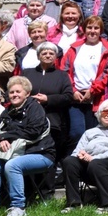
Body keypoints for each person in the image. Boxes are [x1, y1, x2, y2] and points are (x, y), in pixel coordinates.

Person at [0, 76, 55, 216]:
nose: (14, 95)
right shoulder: (8, 112)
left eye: (18, 91)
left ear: (27, 93)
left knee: (13, 165)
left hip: (41, 154)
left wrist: (6, 135)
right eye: (11, 92)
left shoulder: (35, 108)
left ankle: (18, 207)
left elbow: (34, 131)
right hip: (16, 153)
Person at [61, 99, 108, 214]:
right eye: (105, 112)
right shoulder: (90, 132)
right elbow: (77, 151)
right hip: (90, 167)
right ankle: (74, 204)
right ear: (99, 114)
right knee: (69, 161)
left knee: (96, 163)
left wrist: (94, 158)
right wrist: (80, 155)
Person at [23, 42, 73, 195]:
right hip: (28, 121)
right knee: (29, 154)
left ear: (56, 57)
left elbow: (68, 97)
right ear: (38, 56)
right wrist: (30, 98)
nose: (48, 55)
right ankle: (29, 192)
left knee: (49, 155)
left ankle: (47, 192)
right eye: (44, 52)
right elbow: (15, 91)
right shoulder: (27, 73)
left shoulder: (62, 75)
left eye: (51, 53)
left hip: (54, 121)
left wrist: (48, 99)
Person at [61, 16, 108, 152]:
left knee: (93, 134)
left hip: (96, 98)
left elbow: (106, 73)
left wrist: (92, 91)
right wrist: (72, 90)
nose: (92, 31)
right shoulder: (74, 47)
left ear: (101, 30)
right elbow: (65, 70)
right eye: (89, 27)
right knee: (76, 133)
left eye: (96, 28)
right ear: (84, 29)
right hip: (76, 97)